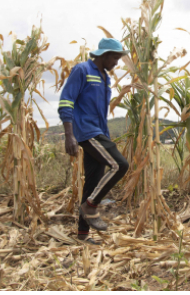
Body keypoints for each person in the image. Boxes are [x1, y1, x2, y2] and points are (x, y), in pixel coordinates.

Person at [57, 38, 130, 244]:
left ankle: (82, 236)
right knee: (120, 165)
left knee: (92, 182)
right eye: (115, 57)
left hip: (99, 132)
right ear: (104, 55)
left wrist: (105, 135)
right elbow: (66, 100)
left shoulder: (104, 77)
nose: (117, 62)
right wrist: (69, 134)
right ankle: (91, 205)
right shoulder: (82, 70)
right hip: (87, 132)